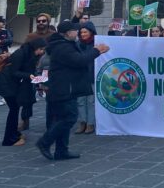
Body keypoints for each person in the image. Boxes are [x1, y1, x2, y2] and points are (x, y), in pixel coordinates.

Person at [36, 21, 109, 161]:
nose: (78, 33)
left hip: (65, 87)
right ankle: (45, 142)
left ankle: (61, 151)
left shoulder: (63, 44)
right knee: (69, 118)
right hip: (64, 88)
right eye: (76, 31)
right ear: (68, 33)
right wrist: (96, 51)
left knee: (63, 118)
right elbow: (79, 60)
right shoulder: (63, 47)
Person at [0, 37, 47, 146]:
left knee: (15, 108)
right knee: (13, 110)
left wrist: (36, 79)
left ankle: (14, 133)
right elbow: (14, 72)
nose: (42, 52)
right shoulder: (21, 53)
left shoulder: (29, 54)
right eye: (41, 49)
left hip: (12, 84)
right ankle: (9, 139)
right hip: (6, 84)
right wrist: (29, 75)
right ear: (35, 47)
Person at [75, 22, 98, 135]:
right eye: (81, 32)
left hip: (92, 75)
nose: (83, 34)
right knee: (80, 101)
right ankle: (82, 122)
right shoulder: (77, 44)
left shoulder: (96, 44)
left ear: (91, 32)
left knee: (91, 101)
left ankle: (90, 123)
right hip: (79, 76)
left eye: (85, 32)